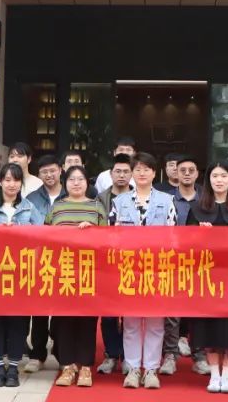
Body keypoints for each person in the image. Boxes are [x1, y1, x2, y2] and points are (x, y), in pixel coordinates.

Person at [186, 161, 228, 393]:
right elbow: (186, 245)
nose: (219, 180)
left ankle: (227, 374)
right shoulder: (197, 208)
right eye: (215, 176)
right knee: (210, 327)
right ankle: (214, 374)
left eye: (223, 176)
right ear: (208, 180)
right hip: (207, 278)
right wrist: (200, 236)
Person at [110, 152, 178, 388]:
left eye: (146, 169)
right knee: (130, 321)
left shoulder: (167, 200)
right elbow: (112, 236)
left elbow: (173, 235)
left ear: (154, 173)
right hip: (129, 269)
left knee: (155, 322)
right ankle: (132, 368)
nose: (141, 173)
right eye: (137, 169)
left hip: (157, 269)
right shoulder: (119, 202)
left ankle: (150, 369)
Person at [0, 162, 44, 387]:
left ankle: (14, 366)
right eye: (7, 180)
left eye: (16, 180)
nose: (11, 184)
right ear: (0, 182)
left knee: (18, 320)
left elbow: (42, 239)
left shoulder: (29, 208)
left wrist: (22, 236)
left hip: (21, 273)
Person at [48, 165, 109, 387]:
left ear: (87, 183)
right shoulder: (57, 207)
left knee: (87, 320)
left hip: (89, 272)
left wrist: (93, 230)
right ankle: (67, 366)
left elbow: (107, 239)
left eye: (80, 179)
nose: (76, 183)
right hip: (62, 272)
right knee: (64, 320)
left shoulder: (97, 207)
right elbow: (44, 237)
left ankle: (85, 367)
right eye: (71, 179)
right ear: (65, 183)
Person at [23, 154, 64, 374]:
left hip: (65, 260)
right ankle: (37, 353)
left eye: (52, 170)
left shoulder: (71, 194)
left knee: (61, 310)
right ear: (39, 174)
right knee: (38, 309)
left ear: (60, 170)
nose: (49, 175)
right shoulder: (31, 198)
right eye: (44, 172)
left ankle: (60, 350)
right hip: (40, 259)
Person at [97, 153, 135, 375]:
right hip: (107, 261)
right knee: (109, 312)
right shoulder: (100, 198)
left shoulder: (138, 197)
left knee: (130, 311)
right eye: (117, 171)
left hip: (132, 260)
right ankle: (111, 354)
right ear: (110, 174)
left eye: (125, 172)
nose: (121, 175)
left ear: (131, 174)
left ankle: (129, 357)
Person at [168, 155, 200, 367]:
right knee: (172, 310)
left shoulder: (206, 199)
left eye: (191, 170)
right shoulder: (166, 199)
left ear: (197, 174)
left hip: (200, 262)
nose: (187, 174)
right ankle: (170, 354)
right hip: (172, 260)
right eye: (183, 170)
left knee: (197, 307)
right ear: (176, 173)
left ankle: (199, 354)